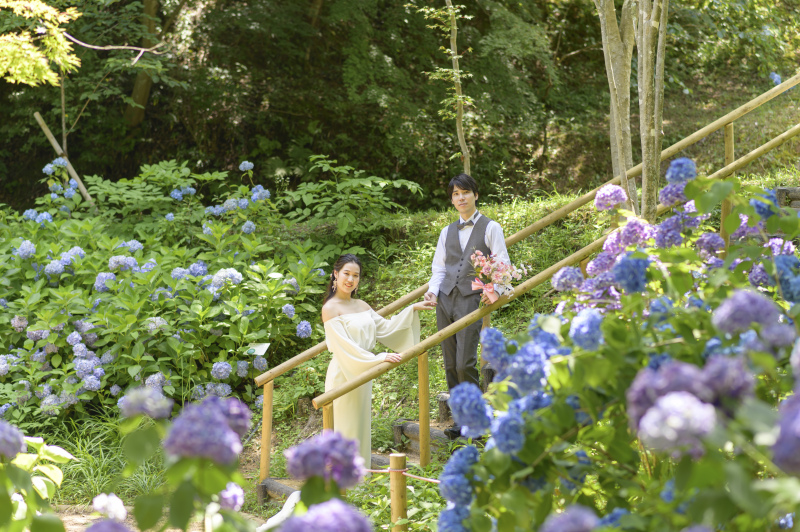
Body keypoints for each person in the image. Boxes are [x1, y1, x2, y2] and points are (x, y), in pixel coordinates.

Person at [322, 254, 435, 467]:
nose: (350, 279)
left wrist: (412, 309)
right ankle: (343, 479)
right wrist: (379, 358)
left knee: (361, 428)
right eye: (346, 273)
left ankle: (361, 477)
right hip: (344, 372)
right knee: (346, 428)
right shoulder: (330, 308)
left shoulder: (362, 305)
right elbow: (345, 348)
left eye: (356, 275)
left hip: (364, 371)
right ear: (335, 274)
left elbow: (386, 328)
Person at [424, 173, 510, 439]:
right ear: (452, 200)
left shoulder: (491, 227)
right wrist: (432, 291)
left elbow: (502, 263)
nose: (461, 198)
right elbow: (439, 268)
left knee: (465, 363)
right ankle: (460, 422)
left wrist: (495, 290)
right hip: (445, 299)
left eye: (465, 192)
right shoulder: (446, 232)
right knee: (450, 364)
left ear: (476, 195)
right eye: (456, 194)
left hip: (471, 299)